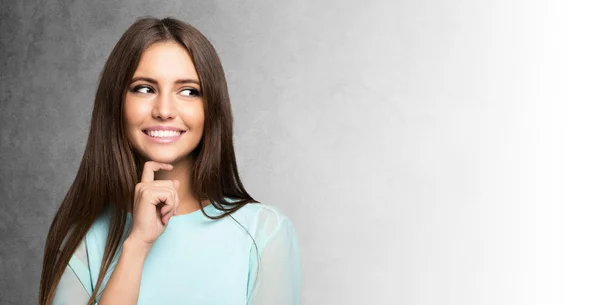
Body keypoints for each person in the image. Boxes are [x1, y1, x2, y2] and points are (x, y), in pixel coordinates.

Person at [38, 16, 301, 305]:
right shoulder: (82, 240)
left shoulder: (264, 234)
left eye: (188, 91)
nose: (164, 110)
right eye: (145, 88)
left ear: (211, 107)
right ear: (116, 102)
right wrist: (136, 245)